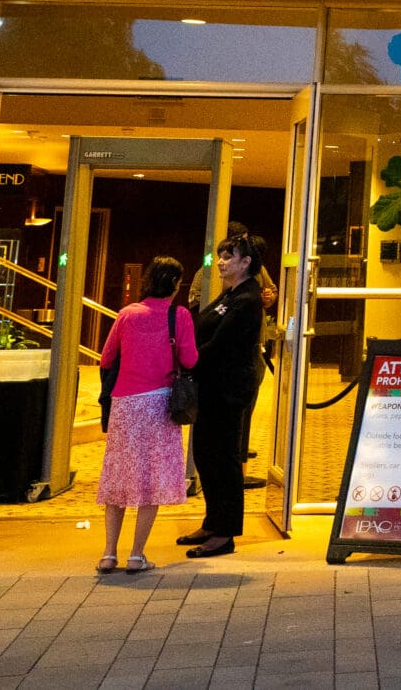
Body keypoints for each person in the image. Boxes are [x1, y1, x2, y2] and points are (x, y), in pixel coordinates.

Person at [94, 255, 196, 575]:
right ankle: (137, 555)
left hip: (125, 404)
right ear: (176, 285)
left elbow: (106, 358)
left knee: (119, 476)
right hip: (159, 404)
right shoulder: (178, 316)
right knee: (152, 480)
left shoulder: (127, 315)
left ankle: (109, 553)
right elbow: (190, 360)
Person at [181, 234, 267, 560]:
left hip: (229, 390)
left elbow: (220, 345)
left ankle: (225, 532)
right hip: (211, 387)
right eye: (220, 256)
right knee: (205, 455)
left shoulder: (247, 299)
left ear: (246, 263)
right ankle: (212, 521)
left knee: (224, 459)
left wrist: (186, 361)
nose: (221, 262)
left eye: (228, 257)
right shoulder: (228, 294)